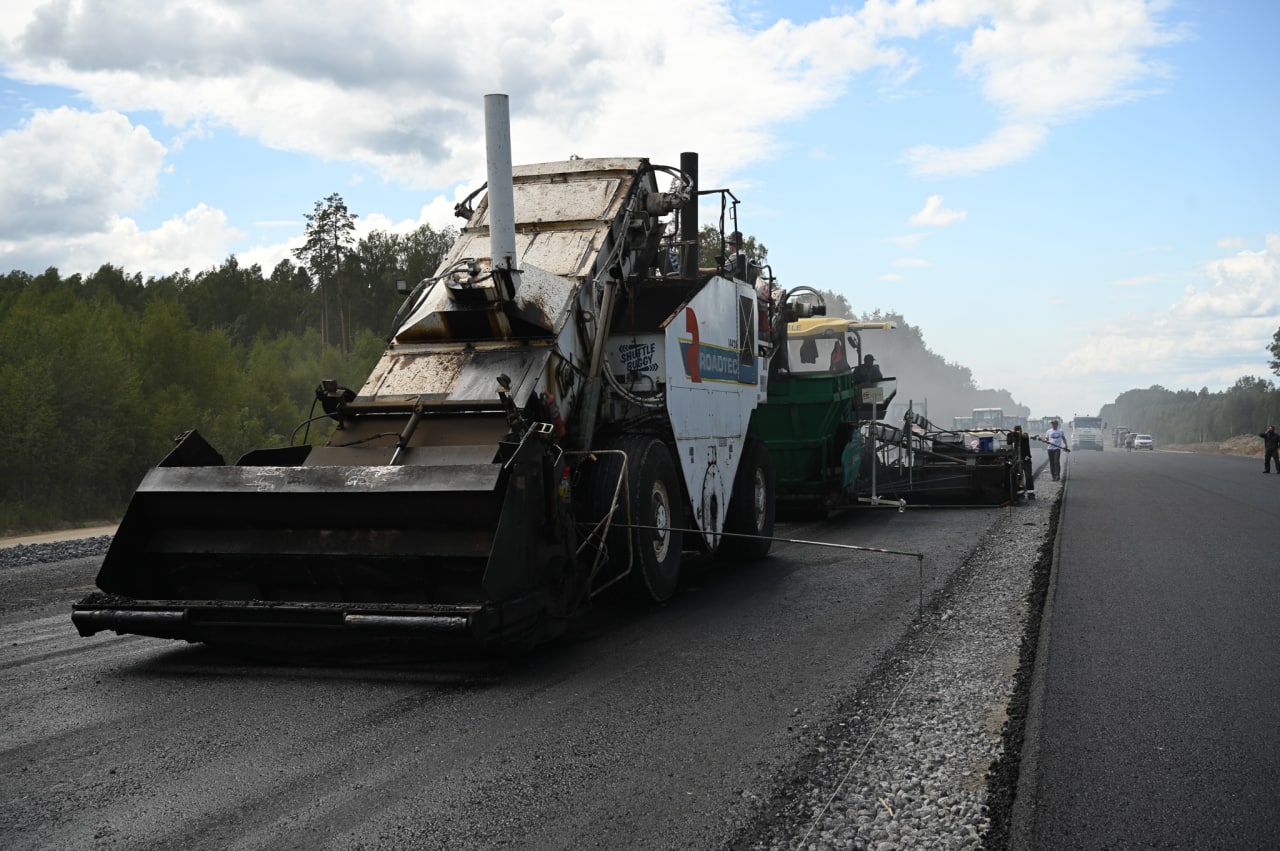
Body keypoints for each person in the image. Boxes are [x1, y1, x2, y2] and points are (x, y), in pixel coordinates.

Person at [1008, 425, 1035, 499]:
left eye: (1018, 431)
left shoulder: (1025, 435)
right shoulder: (1014, 438)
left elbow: (1025, 436)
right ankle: (1020, 493)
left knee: (1028, 476)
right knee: (1019, 477)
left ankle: (1031, 493)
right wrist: (1013, 434)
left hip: (1026, 459)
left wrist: (1018, 433)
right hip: (1017, 460)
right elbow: (1009, 442)